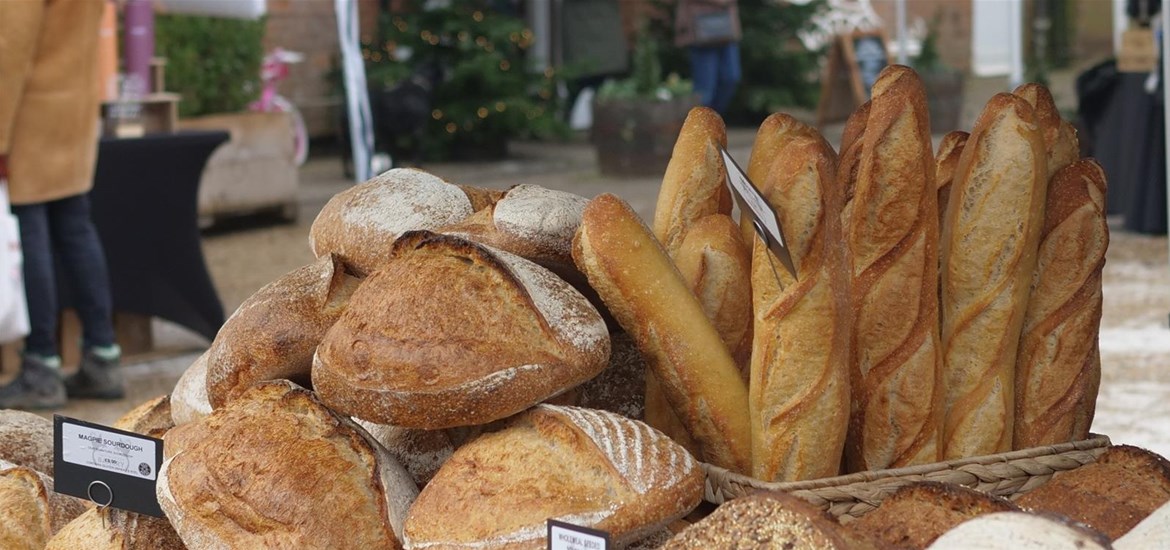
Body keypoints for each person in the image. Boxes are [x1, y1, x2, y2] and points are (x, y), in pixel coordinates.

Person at [0, 0, 123, 409]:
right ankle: (102, 355)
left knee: (28, 234)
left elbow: (8, 47)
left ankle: (40, 365)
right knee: (75, 229)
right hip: (73, 107)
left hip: (29, 114)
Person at [675, 0, 743, 114]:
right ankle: (700, 123)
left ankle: (711, 119)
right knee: (705, 89)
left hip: (726, 29)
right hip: (700, 30)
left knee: (731, 78)